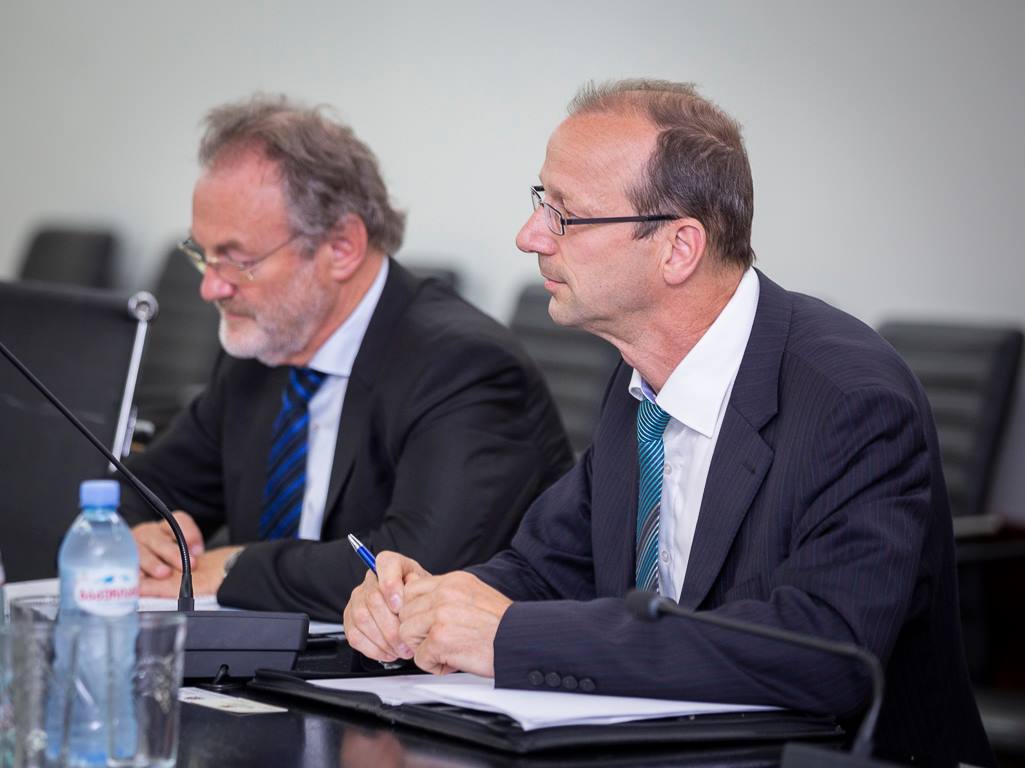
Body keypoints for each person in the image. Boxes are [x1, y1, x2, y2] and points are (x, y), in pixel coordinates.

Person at [344, 80, 993, 765]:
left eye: (564, 215)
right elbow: (546, 568)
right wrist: (427, 604)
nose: (529, 236)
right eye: (540, 203)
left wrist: (509, 636)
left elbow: (824, 653)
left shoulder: (851, 401)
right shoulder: (639, 379)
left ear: (678, 248)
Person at [122, 95, 573, 621]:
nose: (210, 287)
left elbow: (416, 569)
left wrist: (237, 567)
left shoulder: (466, 367)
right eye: (203, 255)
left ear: (341, 248)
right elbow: (141, 491)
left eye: (237, 260)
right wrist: (135, 535)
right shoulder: (261, 347)